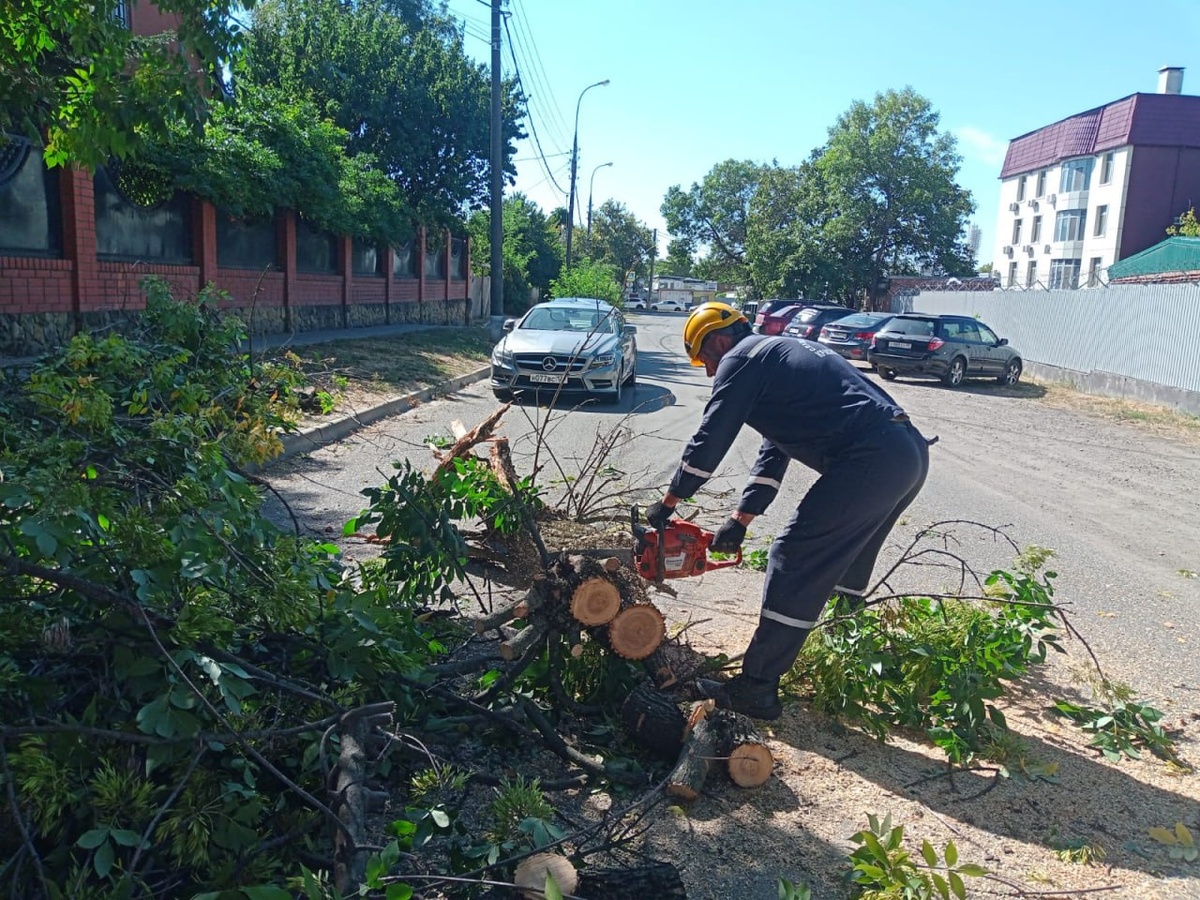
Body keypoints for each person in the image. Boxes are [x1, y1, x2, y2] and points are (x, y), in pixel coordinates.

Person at [646, 301, 931, 720]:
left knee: (793, 557)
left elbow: (712, 437)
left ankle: (757, 688)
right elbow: (774, 449)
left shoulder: (742, 358)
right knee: (845, 565)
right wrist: (741, 519)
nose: (709, 371)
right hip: (908, 453)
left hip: (871, 457)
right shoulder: (779, 356)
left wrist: (670, 501)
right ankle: (840, 655)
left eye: (706, 358)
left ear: (721, 339)